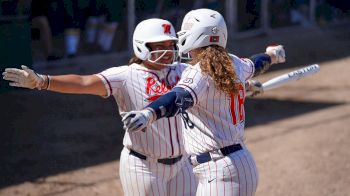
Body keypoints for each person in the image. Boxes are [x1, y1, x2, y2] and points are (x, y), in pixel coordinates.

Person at [2, 18, 198, 196]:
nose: (167, 51)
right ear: (142, 46)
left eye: (171, 45)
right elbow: (84, 82)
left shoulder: (184, 71)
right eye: (159, 45)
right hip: (144, 166)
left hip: (183, 164)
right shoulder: (125, 75)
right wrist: (43, 81)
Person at [122, 9, 286, 196]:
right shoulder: (233, 62)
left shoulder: (198, 71)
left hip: (219, 169)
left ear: (194, 37)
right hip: (241, 164)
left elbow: (179, 97)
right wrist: (272, 55)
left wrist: (149, 113)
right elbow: (256, 64)